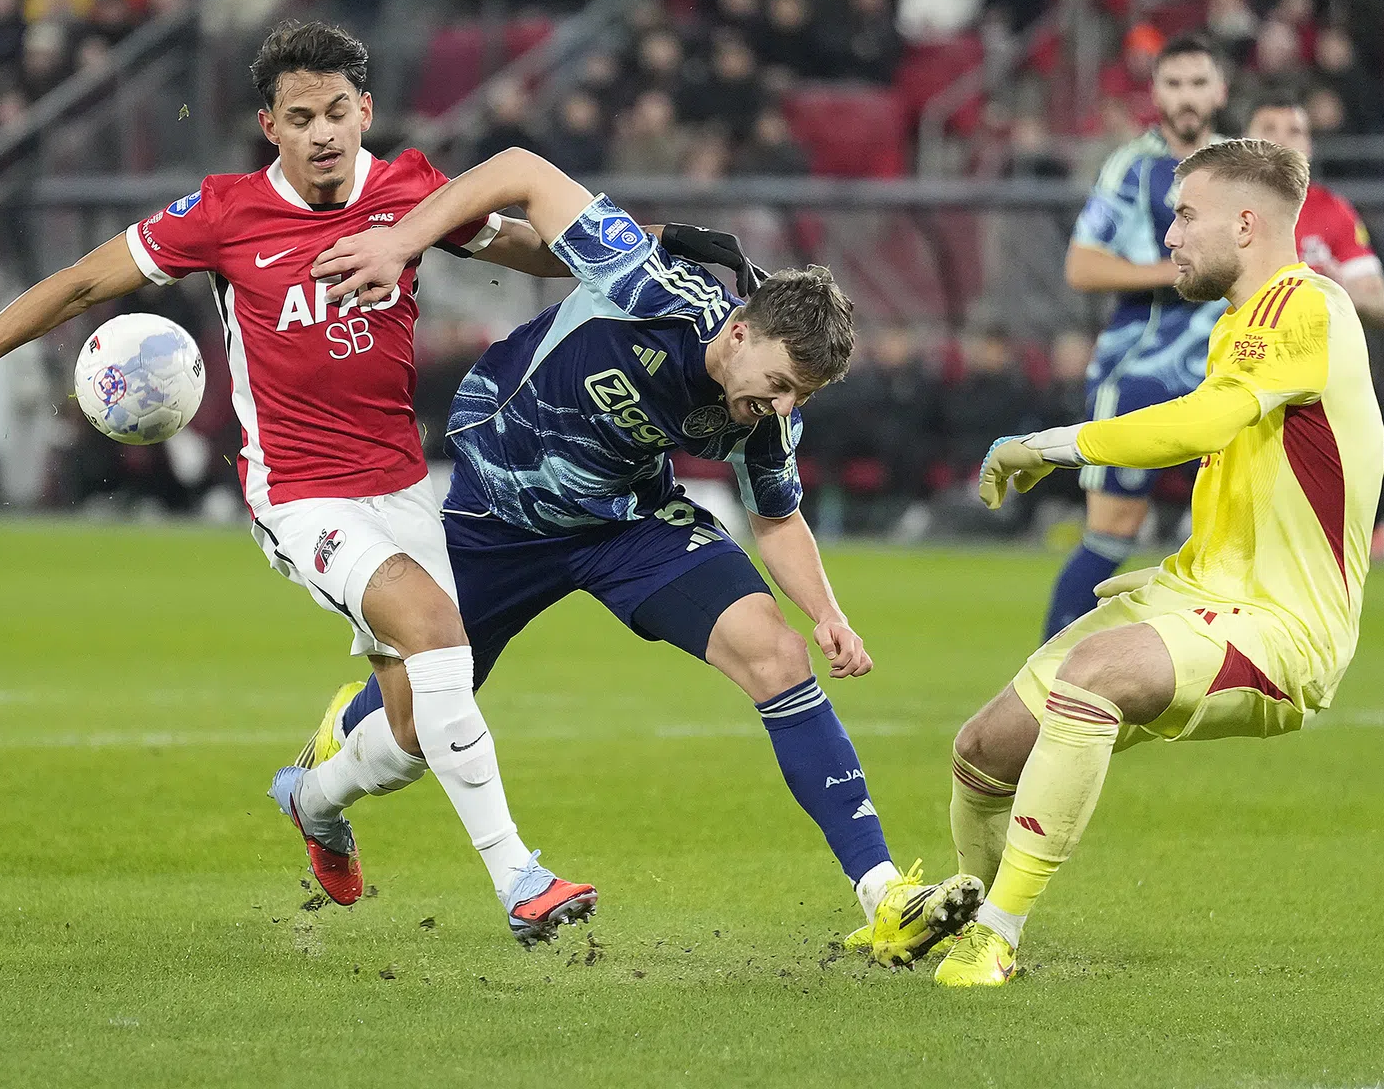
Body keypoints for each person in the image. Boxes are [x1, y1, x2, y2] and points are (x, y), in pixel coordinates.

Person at [0, 20, 611, 946]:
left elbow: (532, 249)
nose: (325, 131)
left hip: (402, 488)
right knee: (440, 633)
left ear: (365, 110)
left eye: (339, 111)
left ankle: (314, 802)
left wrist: (648, 248)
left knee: (413, 736)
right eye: (302, 117)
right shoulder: (223, 213)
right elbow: (82, 283)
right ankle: (518, 878)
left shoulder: (410, 193)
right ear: (270, 127)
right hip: (299, 495)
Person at [302, 152, 984, 967]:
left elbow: (777, 519)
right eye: (774, 384)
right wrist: (397, 246)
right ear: (737, 331)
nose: (779, 408)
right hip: (498, 509)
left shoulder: (769, 412)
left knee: (776, 651)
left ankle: (884, 898)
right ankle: (339, 738)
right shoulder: (648, 283)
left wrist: (827, 613)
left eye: (798, 396)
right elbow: (521, 169)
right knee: (407, 734)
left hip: (626, 522)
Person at [936, 138, 1383, 986]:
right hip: (1197, 592)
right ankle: (965, 910)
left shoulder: (1306, 307)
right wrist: (1185, 566)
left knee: (1093, 673)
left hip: (1286, 629)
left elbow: (1201, 427)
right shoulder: (1241, 324)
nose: (1167, 237)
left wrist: (1051, 445)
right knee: (984, 749)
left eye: (1184, 216)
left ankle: (996, 935)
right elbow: (1251, 480)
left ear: (1247, 223)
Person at [1044, 33, 1230, 641]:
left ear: (1220, 90)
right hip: (1141, 373)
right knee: (1111, 533)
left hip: (1232, 376)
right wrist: (1179, 272)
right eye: (1174, 84)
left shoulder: (1243, 166)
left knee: (1240, 532)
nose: (1186, 96)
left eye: (1198, 82)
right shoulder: (1131, 167)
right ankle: (1045, 681)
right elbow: (1081, 266)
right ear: (1155, 93)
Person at [1243, 94, 1384, 330]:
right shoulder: (1220, 207)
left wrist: (1339, 289)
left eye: (1294, 132)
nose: (1281, 140)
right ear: (1243, 142)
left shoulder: (1332, 209)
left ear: (1309, 148)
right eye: (1269, 129)